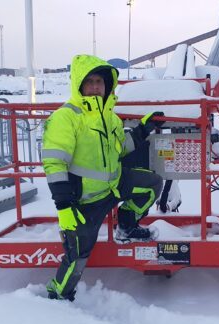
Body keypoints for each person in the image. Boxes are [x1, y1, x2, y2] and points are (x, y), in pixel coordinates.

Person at [42, 54, 164, 301]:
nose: (96, 87)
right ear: (80, 84)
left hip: (113, 187)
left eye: (100, 82)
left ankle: (127, 226)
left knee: (151, 183)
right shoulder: (66, 117)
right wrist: (64, 207)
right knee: (78, 253)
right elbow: (54, 163)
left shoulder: (109, 117)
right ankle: (59, 294)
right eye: (90, 81)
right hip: (83, 201)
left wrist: (142, 130)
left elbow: (120, 148)